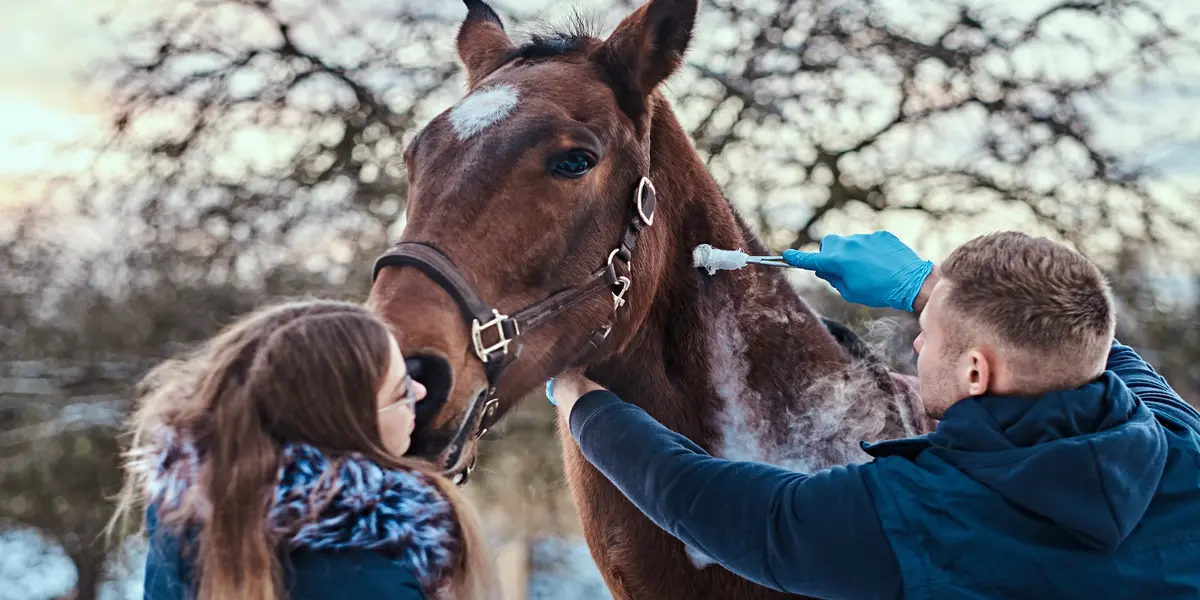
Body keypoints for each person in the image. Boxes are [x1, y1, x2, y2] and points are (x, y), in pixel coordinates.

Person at [547, 230, 1200, 599]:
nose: (917, 346)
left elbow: (702, 499)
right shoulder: (1180, 442)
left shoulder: (924, 517)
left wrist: (581, 398)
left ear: (977, 373)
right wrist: (927, 288)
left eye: (930, 336)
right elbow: (1093, 348)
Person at [108, 299, 500, 600]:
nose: (421, 392)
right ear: (346, 425)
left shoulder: (186, 522)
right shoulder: (367, 571)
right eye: (401, 392)